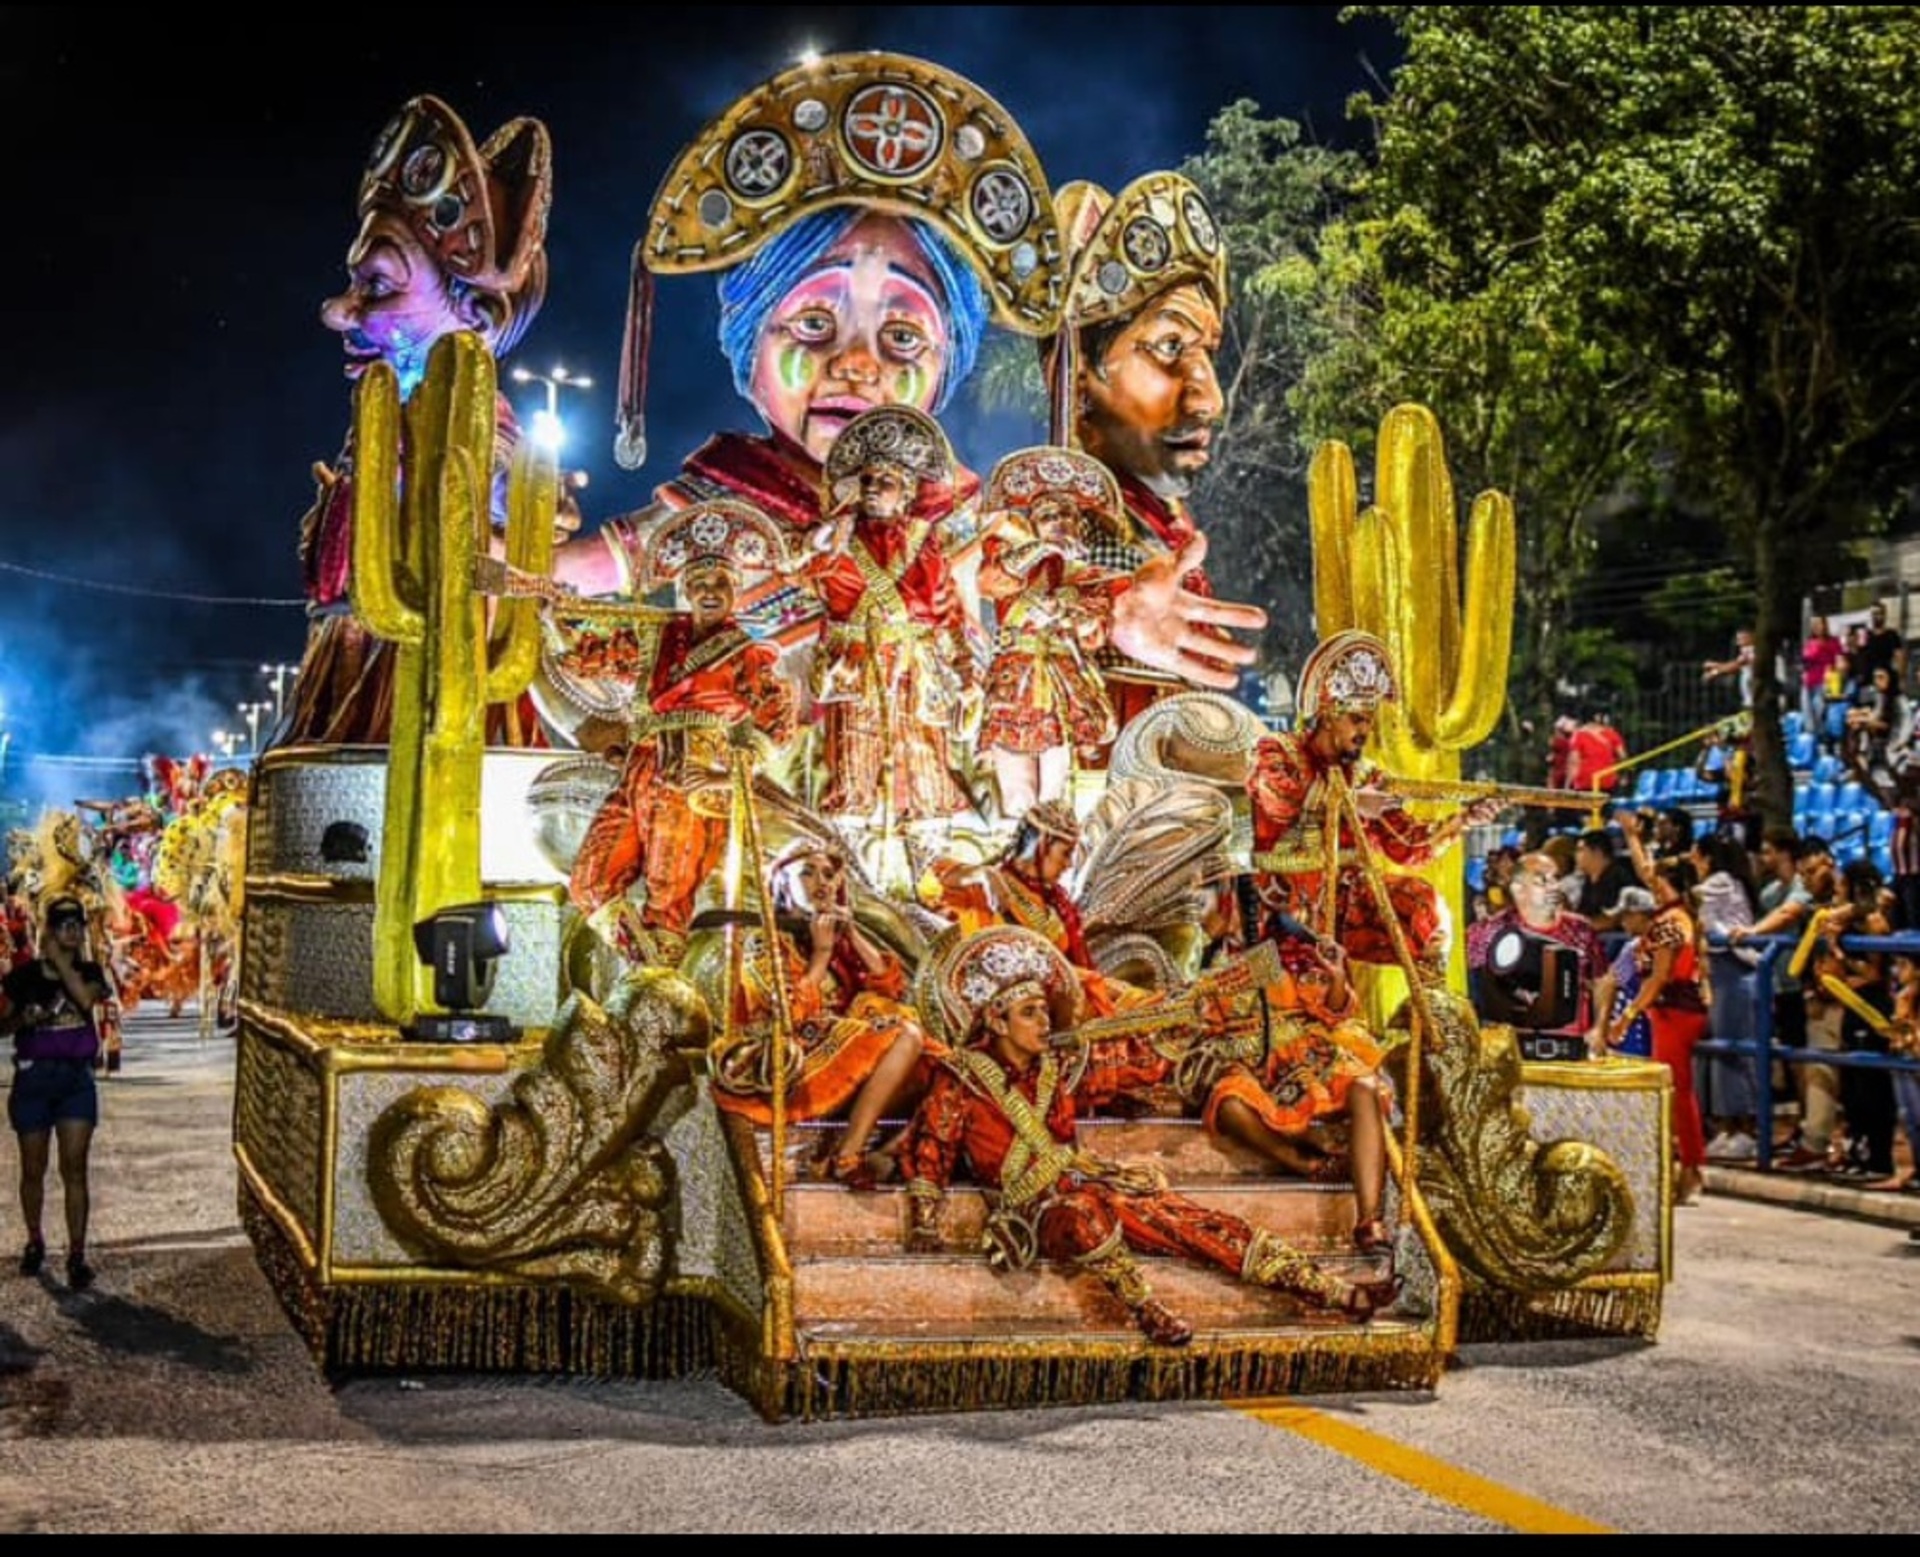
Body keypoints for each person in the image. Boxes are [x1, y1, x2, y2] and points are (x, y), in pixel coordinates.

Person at [548, 53, 1264, 711]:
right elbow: (561, 579)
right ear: (750, 342)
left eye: (901, 337)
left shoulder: (957, 514)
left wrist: (1118, 612)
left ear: (946, 359)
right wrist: (499, 569)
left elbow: (1043, 582)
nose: (857, 366)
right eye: (813, 326)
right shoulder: (714, 508)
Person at [897, 925, 1400, 1347]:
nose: (1043, 1021)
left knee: (1201, 1223)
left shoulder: (1060, 1065)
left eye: (1044, 1011)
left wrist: (1180, 1024)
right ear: (994, 1020)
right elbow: (933, 1149)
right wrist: (924, 1219)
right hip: (1037, 1208)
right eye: (1029, 1013)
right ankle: (1147, 1310)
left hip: (1094, 1183)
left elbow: (1133, 1061)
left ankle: (1334, 1293)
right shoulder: (962, 1078)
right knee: (1085, 1217)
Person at [280, 94, 555, 747]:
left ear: (475, 313)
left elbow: (493, 567)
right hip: (357, 677)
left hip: (429, 700)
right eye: (356, 283)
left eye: (378, 284)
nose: (339, 312)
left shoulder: (484, 435)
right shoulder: (385, 420)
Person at [1042, 170, 1265, 735]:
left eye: (1206, 353)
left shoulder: (1161, 525)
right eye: (1169, 347)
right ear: (1076, 384)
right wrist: (1108, 606)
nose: (1209, 398)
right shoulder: (1042, 531)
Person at [565, 500, 800, 968]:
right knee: (589, 883)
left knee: (667, 896)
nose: (710, 592)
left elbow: (777, 720)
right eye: (699, 584)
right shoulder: (657, 639)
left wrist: (729, 774)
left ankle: (658, 994)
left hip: (690, 773)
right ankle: (646, 969)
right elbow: (587, 656)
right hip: (640, 768)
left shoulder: (744, 654)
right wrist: (554, 612)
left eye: (720, 584)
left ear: (735, 590)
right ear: (685, 590)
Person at [1246, 630, 1501, 984]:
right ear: (1328, 714)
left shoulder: (1367, 776)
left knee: (1426, 913)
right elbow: (1279, 798)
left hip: (1350, 903)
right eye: (1357, 718)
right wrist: (1350, 803)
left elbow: (1408, 845)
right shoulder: (1277, 751)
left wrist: (1465, 820)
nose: (1366, 728)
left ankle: (1429, 1021)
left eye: (1369, 718)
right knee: (1312, 999)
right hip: (1284, 904)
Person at [707, 842, 935, 1188]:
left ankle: (890, 1152)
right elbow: (785, 1016)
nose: (822, 882)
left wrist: (851, 932)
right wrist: (822, 953)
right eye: (807, 872)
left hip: (842, 1055)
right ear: (782, 884)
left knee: (941, 1061)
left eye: (829, 874)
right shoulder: (763, 940)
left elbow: (891, 988)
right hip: (789, 1062)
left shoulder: (831, 935)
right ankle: (848, 1156)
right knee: (906, 1034)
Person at [795, 405, 979, 830]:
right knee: (852, 758)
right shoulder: (837, 537)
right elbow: (800, 572)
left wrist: (964, 672)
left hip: (915, 663)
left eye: (886, 482)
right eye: (867, 481)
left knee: (923, 757)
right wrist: (815, 544)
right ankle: (850, 854)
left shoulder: (923, 539)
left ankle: (928, 855)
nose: (874, 489)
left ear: (908, 491)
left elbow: (944, 609)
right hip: (854, 663)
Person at [973, 445, 1127, 816]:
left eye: (1066, 515)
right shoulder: (1014, 558)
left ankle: (1054, 855)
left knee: (1056, 789)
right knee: (1017, 792)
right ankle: (1018, 854)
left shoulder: (1089, 576)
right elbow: (992, 582)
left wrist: (1075, 614)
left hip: (1062, 679)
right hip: (1015, 679)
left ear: (1080, 524)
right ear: (1033, 523)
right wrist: (1041, 548)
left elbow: (1095, 630)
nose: (1059, 521)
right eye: (1047, 515)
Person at [921, 800, 1154, 1019]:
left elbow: (1066, 967)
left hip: (1067, 998)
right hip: (1017, 1012)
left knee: (1142, 1002)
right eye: (1065, 853)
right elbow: (930, 881)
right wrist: (983, 874)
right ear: (1042, 847)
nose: (1069, 864)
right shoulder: (987, 889)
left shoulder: (1055, 901)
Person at [1, 895, 112, 1289]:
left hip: (74, 1082)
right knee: (34, 1169)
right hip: (33, 1081)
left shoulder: (90, 971)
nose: (72, 930)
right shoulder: (23, 976)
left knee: (74, 1166)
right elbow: (3, 1027)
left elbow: (85, 1000)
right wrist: (21, 1018)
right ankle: (35, 1240)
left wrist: (63, 962)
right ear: (48, 928)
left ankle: (77, 1254)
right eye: (63, 924)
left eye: (76, 924)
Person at [1601, 857, 1710, 1205]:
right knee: (1677, 1091)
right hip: (1674, 1011)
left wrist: (1628, 1015)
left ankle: (1690, 1169)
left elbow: (1659, 976)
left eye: (1657, 883)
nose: (1652, 887)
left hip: (1674, 1013)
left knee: (1677, 1092)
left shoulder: (1671, 923)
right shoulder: (1681, 917)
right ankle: (1684, 1167)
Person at [1465, 850, 1605, 1048]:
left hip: (1572, 1046)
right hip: (1510, 1047)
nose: (1553, 887)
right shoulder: (1489, 932)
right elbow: (1471, 989)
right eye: (1542, 881)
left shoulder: (1581, 929)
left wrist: (1600, 1027)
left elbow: (1603, 979)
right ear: (1518, 889)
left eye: (1555, 878)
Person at [1586, 885, 1657, 1060]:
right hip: (1642, 1029)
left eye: (1625, 916)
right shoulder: (1658, 941)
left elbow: (1610, 983)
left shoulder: (1636, 947)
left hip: (1635, 1034)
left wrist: (1601, 1029)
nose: (1621, 922)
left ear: (1639, 914)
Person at [1563, 707, 1629, 798]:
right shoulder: (1612, 734)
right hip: (1607, 779)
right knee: (1605, 810)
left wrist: (1567, 785)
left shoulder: (1578, 736)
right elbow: (1623, 756)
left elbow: (1574, 763)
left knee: (1586, 811)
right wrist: (1623, 776)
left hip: (1586, 781)